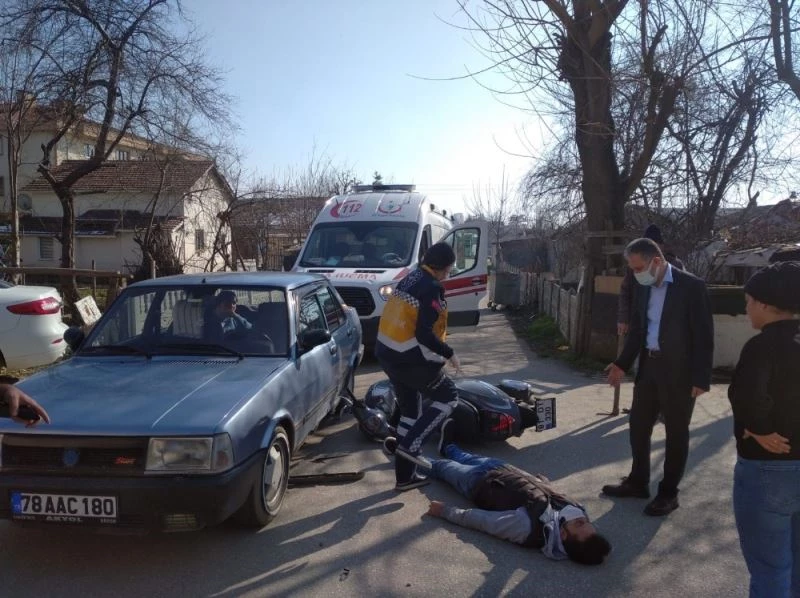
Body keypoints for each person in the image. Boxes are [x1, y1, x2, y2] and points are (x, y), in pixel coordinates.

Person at [603, 237, 714, 516]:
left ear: (656, 261)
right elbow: (638, 330)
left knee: (676, 432)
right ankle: (638, 482)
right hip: (649, 367)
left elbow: (704, 334)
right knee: (638, 425)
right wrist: (621, 364)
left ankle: (668, 493)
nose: (635, 274)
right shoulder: (643, 287)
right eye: (632, 269)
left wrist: (701, 377)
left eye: (638, 268)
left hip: (680, 373)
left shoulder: (691, 286)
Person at [728, 261, 800, 596]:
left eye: (748, 302)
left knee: (770, 568)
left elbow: (745, 395)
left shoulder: (762, 346)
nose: (747, 310)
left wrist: (755, 428)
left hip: (768, 467)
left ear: (765, 305)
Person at [425, 444, 611, 565]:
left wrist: (445, 511)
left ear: (562, 535)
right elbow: (555, 498)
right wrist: (544, 484)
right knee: (465, 455)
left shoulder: (527, 528)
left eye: (580, 523)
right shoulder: (573, 513)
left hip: (477, 482)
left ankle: (408, 453)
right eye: (588, 522)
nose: (582, 516)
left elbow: (482, 521)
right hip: (503, 469)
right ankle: (445, 444)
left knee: (439, 466)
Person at [376, 242, 462, 492]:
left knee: (410, 414)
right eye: (449, 269)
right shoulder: (431, 287)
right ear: (443, 267)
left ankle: (405, 478)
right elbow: (424, 334)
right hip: (409, 357)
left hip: (388, 354)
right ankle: (409, 446)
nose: (448, 274)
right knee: (449, 397)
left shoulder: (412, 277)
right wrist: (449, 353)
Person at [617, 224, 685, 337]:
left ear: (661, 246)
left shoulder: (675, 265)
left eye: (655, 246)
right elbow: (625, 291)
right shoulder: (635, 266)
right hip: (640, 321)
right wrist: (623, 318)